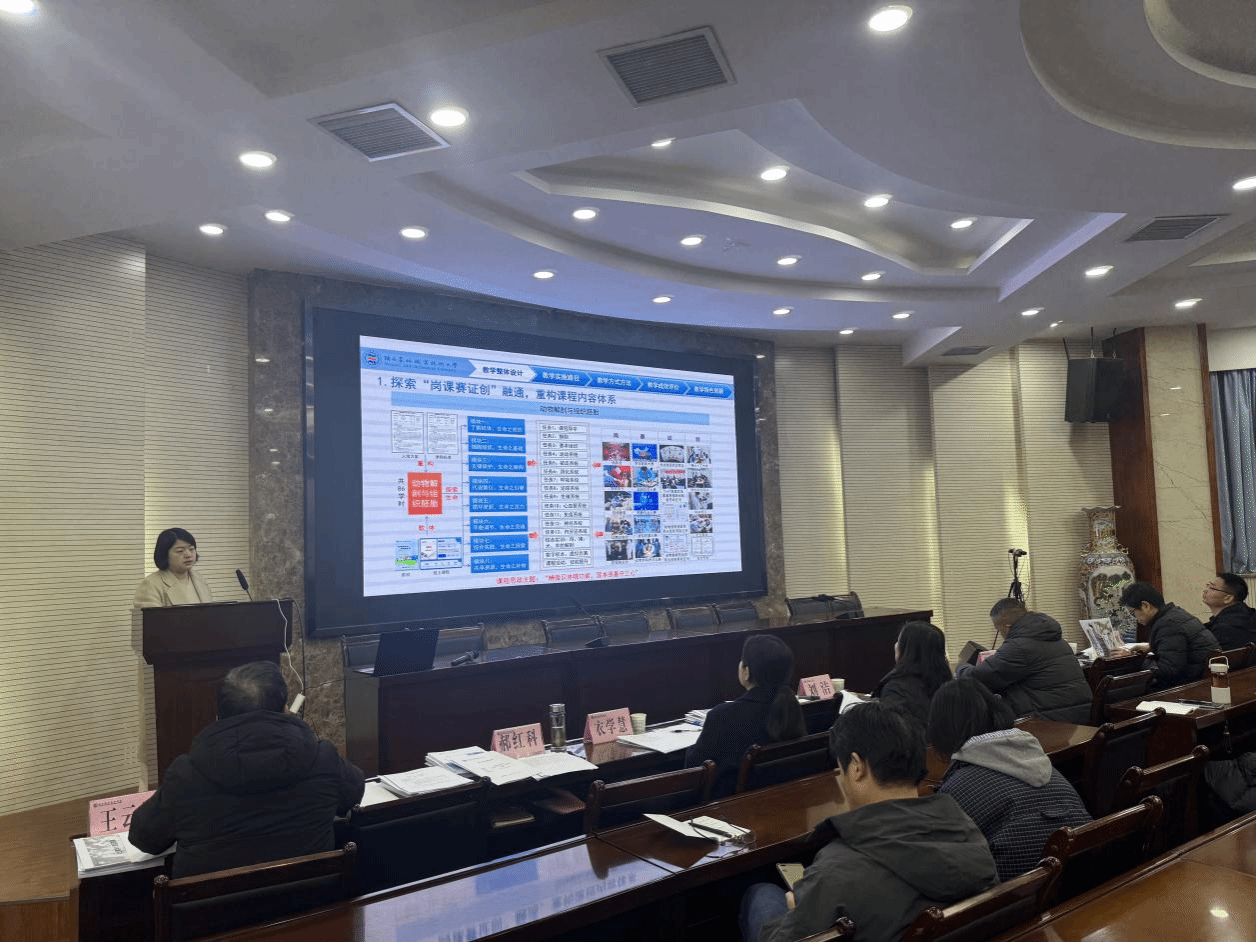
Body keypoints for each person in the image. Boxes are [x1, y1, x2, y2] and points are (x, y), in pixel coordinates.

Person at [739, 701, 998, 942]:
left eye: (840, 770)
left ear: (856, 767)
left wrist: (796, 912)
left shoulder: (836, 871)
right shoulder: (967, 831)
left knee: (759, 894)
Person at [129, 661, 364, 877]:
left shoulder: (185, 776)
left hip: (216, 909)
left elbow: (144, 837)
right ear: (285, 710)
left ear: (218, 715)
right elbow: (353, 794)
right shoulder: (323, 759)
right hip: (311, 905)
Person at [927, 679, 1091, 881]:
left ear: (941, 730)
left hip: (1018, 893)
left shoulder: (956, 790)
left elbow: (945, 867)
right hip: (1086, 876)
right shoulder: (1040, 761)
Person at [685, 634, 807, 797]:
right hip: (785, 797)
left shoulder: (723, 716)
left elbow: (693, 770)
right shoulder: (792, 708)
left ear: (746, 672)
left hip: (734, 805)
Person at [954, 599, 1092, 723]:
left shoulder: (1019, 647)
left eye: (998, 629)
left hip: (1050, 722)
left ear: (1006, 627)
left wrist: (960, 667)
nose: (1000, 634)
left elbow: (979, 677)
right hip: (1078, 716)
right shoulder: (1056, 638)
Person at [1120, 580, 1218, 690]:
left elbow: (1168, 670)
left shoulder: (1167, 624)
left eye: (1133, 613)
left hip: (1193, 685)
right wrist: (1152, 647)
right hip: (1202, 678)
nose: (1135, 618)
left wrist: (1137, 659)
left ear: (1145, 606)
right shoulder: (1174, 614)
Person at [872, 620, 952, 727]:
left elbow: (891, 731)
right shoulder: (946, 681)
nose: (896, 645)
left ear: (908, 650)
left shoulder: (896, 689)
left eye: (899, 641)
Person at [133, 527, 212, 607]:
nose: (188, 555)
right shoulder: (151, 585)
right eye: (180, 551)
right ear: (165, 555)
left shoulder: (199, 579)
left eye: (191, 549)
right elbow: (150, 614)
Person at [1203, 573, 1256, 651]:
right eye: (1208, 586)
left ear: (1228, 598)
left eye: (1212, 588)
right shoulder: (1247, 616)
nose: (1205, 590)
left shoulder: (1225, 629)